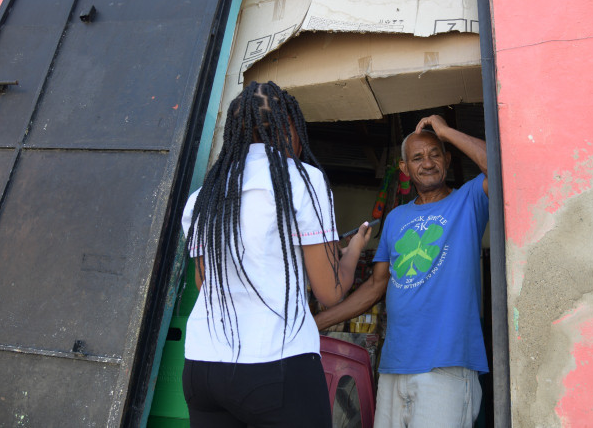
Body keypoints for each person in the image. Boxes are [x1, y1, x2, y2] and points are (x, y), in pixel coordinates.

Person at [180, 81, 372, 428]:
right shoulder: (302, 181)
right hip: (276, 365)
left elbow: (203, 281)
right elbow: (330, 293)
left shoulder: (204, 195)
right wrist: (355, 247)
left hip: (203, 367)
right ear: (288, 128)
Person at [314, 114, 489, 428]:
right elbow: (375, 286)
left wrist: (446, 131)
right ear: (405, 169)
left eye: (435, 154)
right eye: (417, 158)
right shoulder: (395, 218)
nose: (428, 163)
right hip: (394, 365)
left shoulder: (469, 198)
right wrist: (315, 324)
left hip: (446, 364)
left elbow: (501, 164)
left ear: (447, 160)